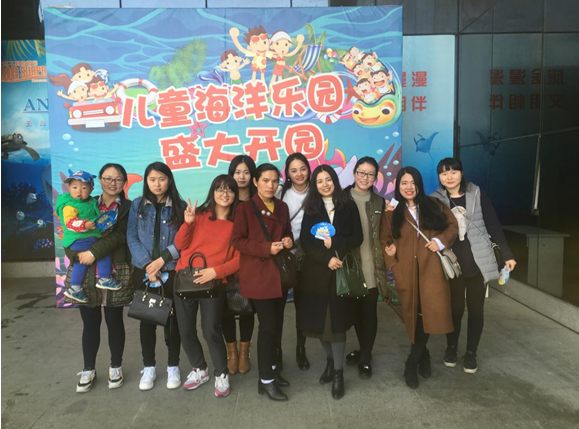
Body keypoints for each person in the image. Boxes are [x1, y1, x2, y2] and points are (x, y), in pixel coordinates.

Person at [431, 158, 516, 374]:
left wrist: (507, 254)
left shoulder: (477, 193)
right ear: (439, 177)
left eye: (453, 172)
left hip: (477, 260)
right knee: (455, 309)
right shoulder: (435, 199)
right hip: (452, 262)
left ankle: (471, 353)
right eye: (444, 173)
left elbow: (493, 224)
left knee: (476, 309)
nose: (449, 177)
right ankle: (451, 348)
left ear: (461, 173)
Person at [380, 166, 458, 389]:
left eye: (413, 182)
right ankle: (423, 354)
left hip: (431, 272)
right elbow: (385, 239)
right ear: (398, 186)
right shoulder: (392, 212)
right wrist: (392, 258)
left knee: (426, 314)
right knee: (412, 316)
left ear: (419, 185)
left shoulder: (434, 205)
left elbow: (452, 226)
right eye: (404, 183)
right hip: (406, 273)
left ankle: (411, 363)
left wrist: (440, 241)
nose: (409, 187)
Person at [65, 164, 134, 393]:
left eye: (118, 179)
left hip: (114, 271)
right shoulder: (85, 202)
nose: (112, 183)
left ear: (124, 182)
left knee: (115, 322)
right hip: (85, 271)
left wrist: (93, 252)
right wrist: (75, 255)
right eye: (108, 178)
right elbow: (69, 232)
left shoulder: (128, 208)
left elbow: (120, 236)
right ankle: (88, 369)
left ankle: (116, 366)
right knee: (90, 323)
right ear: (99, 181)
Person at [298, 165, 363, 400]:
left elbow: (358, 237)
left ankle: (338, 373)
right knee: (318, 325)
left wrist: (335, 245)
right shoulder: (311, 208)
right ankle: (329, 362)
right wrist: (326, 258)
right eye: (319, 181)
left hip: (340, 273)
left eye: (328, 179)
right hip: (316, 274)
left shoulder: (349, 205)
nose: (325, 184)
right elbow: (306, 241)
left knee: (336, 326)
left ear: (335, 180)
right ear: (314, 185)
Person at [174, 175, 240, 398]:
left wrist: (216, 271)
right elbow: (179, 244)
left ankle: (221, 373)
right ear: (212, 192)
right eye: (220, 189)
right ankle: (199, 369)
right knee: (185, 330)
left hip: (214, 283)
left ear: (235, 195)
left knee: (211, 330)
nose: (224, 194)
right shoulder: (199, 215)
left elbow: (240, 260)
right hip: (186, 280)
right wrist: (188, 223)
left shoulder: (237, 225)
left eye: (229, 190)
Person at [231, 163, 293, 401]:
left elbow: (287, 233)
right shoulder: (245, 208)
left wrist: (288, 241)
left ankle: (273, 370)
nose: (270, 185)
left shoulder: (282, 206)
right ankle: (265, 380)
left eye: (275, 181)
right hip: (259, 276)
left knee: (277, 325)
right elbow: (238, 241)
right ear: (255, 182)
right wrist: (267, 248)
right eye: (265, 180)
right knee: (267, 327)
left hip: (279, 276)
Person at [127, 162, 186, 391]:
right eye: (152, 179)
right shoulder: (137, 205)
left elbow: (183, 240)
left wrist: (161, 261)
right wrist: (147, 265)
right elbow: (132, 237)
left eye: (162, 179)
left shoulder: (179, 206)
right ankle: (149, 367)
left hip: (170, 270)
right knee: (147, 318)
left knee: (173, 320)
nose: (157, 184)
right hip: (144, 272)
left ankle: (173, 366)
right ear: (146, 181)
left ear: (169, 180)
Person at [343, 157, 388, 379]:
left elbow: (386, 233)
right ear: (354, 173)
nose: (365, 177)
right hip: (350, 267)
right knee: (354, 314)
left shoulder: (380, 202)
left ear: (375, 177)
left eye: (370, 174)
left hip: (372, 266)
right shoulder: (341, 198)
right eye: (361, 172)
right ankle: (363, 350)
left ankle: (366, 357)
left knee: (369, 313)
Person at [56, 170, 121, 304]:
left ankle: (75, 288)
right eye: (75, 187)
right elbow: (69, 222)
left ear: (91, 189)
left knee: (81, 264)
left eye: (84, 188)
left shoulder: (91, 201)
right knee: (102, 253)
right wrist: (84, 224)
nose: (79, 191)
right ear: (68, 188)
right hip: (80, 238)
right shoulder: (69, 205)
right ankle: (104, 278)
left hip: (87, 237)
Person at [222, 155, 257, 375]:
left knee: (246, 308)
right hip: (225, 262)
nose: (241, 177)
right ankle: (231, 353)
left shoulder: (258, 200)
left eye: (246, 172)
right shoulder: (225, 198)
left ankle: (244, 353)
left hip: (250, 262)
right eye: (237, 172)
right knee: (225, 309)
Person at [276, 153, 311, 370]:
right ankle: (277, 352)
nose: (299, 174)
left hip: (307, 257)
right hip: (283, 256)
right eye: (294, 170)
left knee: (302, 306)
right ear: (287, 173)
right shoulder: (280, 193)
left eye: (303, 169)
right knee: (277, 308)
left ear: (309, 169)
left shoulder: (316, 192)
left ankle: (301, 348)